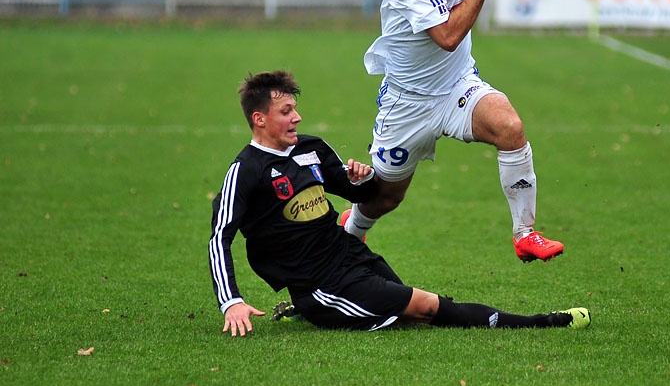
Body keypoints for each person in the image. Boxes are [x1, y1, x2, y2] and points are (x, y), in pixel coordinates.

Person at [208, 70, 591, 334]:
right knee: (425, 307)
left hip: (348, 256)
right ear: (259, 119)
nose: (297, 117)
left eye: (295, 109)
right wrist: (232, 303)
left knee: (412, 312)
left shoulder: (310, 149)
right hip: (319, 282)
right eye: (286, 112)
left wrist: (363, 177)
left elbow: (360, 195)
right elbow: (219, 237)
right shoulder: (246, 171)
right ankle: (542, 322)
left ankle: (314, 314)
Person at [343, 0, 566, 263]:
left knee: (510, 127)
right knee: (385, 197)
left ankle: (524, 233)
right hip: (408, 103)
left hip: (458, 87)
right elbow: (447, 36)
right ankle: (350, 234)